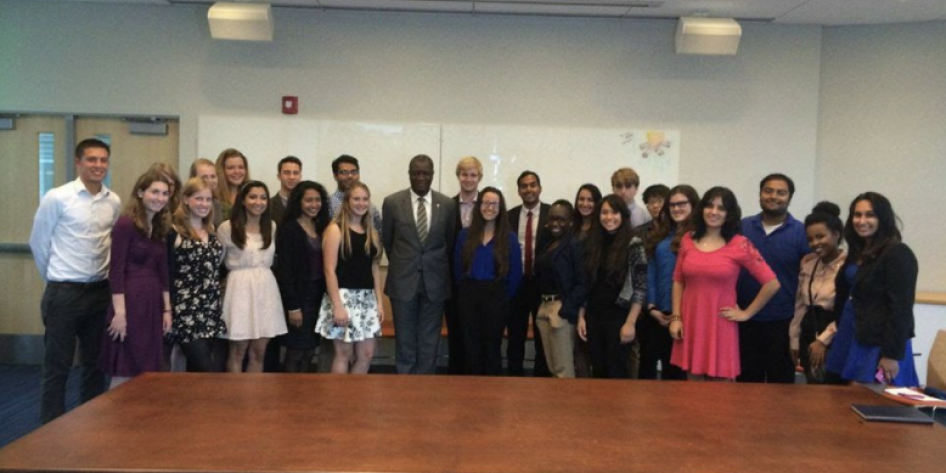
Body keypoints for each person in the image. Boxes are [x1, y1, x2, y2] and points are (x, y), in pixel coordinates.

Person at [30, 138, 121, 423]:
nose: (98, 165)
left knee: (95, 365)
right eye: (92, 160)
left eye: (103, 160)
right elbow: (39, 243)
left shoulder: (113, 201)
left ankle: (90, 425)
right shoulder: (58, 198)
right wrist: (57, 278)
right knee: (58, 366)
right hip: (64, 293)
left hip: (99, 292)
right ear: (78, 162)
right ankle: (50, 429)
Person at [669, 187, 780, 381]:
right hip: (691, 321)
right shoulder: (688, 239)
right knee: (691, 388)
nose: (714, 212)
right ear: (702, 208)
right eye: (710, 206)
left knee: (721, 392)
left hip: (720, 325)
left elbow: (772, 283)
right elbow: (678, 281)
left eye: (721, 208)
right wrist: (676, 317)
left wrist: (746, 313)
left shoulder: (740, 244)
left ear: (729, 214)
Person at [825, 192, 919, 387]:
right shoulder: (859, 251)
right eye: (857, 215)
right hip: (851, 332)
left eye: (870, 215)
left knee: (870, 402)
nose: (862, 221)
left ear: (883, 218)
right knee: (842, 400)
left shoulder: (897, 253)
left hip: (878, 343)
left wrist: (891, 354)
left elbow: (901, 309)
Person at [382, 155, 457, 375]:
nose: (421, 177)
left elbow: (449, 241)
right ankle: (404, 387)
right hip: (403, 281)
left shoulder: (447, 204)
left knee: (429, 340)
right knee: (405, 339)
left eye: (425, 173)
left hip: (435, 282)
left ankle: (425, 386)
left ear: (433, 175)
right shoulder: (393, 202)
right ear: (409, 174)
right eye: (416, 172)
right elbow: (389, 240)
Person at [99, 169, 173, 387]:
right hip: (129, 302)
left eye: (165, 193)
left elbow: (163, 271)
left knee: (147, 366)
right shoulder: (125, 224)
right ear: (140, 192)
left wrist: (167, 309)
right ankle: (117, 417)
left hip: (152, 303)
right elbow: (116, 270)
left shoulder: (159, 226)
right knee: (126, 364)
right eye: (154, 192)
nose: (160, 198)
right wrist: (120, 314)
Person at [736, 173, 809, 384]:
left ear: (790, 197)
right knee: (745, 387)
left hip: (783, 322)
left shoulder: (802, 233)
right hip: (744, 320)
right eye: (768, 191)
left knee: (781, 389)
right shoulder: (742, 228)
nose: (773, 196)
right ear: (760, 194)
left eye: (781, 192)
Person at [218, 181, 287, 373]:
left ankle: (254, 398)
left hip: (265, 288)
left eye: (263, 197)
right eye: (253, 197)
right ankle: (236, 399)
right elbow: (217, 262)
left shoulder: (271, 226)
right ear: (243, 200)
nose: (259, 202)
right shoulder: (227, 228)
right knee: (238, 351)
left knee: (259, 352)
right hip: (239, 289)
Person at [317, 182, 385, 374]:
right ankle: (339, 402)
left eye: (365, 199)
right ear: (347, 201)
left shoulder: (371, 231)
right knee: (344, 354)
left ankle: (355, 399)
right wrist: (337, 306)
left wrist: (378, 302)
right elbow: (329, 270)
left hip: (366, 299)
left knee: (367, 354)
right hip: (343, 298)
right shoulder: (335, 230)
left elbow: (374, 268)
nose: (361, 203)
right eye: (356, 199)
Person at [454, 187, 522, 376]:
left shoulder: (509, 238)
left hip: (496, 296)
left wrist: (501, 296)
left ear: (501, 208)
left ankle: (492, 395)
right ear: (478, 206)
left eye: (494, 204)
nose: (489, 207)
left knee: (492, 346)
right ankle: (471, 394)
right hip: (469, 295)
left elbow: (516, 273)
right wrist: (467, 291)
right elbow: (458, 269)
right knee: (470, 346)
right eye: (485, 203)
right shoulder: (465, 235)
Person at [577, 195, 646, 379]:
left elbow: (640, 289)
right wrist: (581, 316)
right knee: (598, 369)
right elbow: (587, 283)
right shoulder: (592, 242)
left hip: (619, 317)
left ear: (623, 215)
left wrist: (630, 323)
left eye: (614, 212)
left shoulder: (634, 244)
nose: (609, 217)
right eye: (604, 212)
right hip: (593, 316)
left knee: (617, 372)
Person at [167, 177, 226, 373]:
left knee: (198, 373)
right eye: (199, 198)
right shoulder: (174, 232)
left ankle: (195, 404)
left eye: (208, 200)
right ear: (186, 199)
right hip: (186, 310)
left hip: (210, 307)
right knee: (206, 370)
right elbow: (165, 272)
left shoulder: (212, 231)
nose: (204, 204)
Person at [640, 185, 699, 381]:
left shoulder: (701, 236)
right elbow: (652, 272)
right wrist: (651, 306)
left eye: (682, 204)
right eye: (672, 205)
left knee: (680, 373)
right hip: (660, 313)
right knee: (654, 367)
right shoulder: (662, 234)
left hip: (689, 315)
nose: (676, 208)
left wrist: (678, 315)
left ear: (694, 205)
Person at [275, 181, 331, 373]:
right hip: (299, 299)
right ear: (298, 202)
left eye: (317, 200)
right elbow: (285, 270)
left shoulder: (322, 227)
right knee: (295, 352)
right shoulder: (289, 229)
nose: (314, 204)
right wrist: (293, 306)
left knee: (310, 352)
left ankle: (304, 395)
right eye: (309, 200)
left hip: (318, 298)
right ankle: (289, 396)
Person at [790, 202, 845, 384]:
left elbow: (847, 311)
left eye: (821, 236)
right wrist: (794, 340)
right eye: (811, 239)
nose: (815, 243)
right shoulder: (809, 265)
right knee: (813, 390)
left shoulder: (850, 267)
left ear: (836, 234)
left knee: (833, 392)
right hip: (809, 332)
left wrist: (823, 341)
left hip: (835, 335)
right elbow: (800, 306)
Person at [534, 200, 587, 378]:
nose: (555, 223)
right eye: (552, 219)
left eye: (561, 219)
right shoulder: (548, 242)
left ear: (571, 221)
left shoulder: (574, 244)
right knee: (552, 367)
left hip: (561, 309)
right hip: (544, 307)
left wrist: (566, 309)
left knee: (563, 370)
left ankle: (570, 405)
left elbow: (583, 282)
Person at [506, 171, 550, 377]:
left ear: (540, 188)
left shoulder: (552, 214)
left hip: (542, 284)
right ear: (519, 191)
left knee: (543, 336)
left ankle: (541, 379)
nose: (529, 189)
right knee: (516, 335)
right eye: (524, 186)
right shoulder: (509, 216)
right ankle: (514, 378)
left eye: (533, 185)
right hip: (517, 283)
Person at [444, 156, 483, 374]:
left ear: (480, 178)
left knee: (476, 334)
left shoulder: (489, 206)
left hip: (479, 283)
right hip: (453, 282)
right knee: (456, 332)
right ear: (458, 176)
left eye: (473, 175)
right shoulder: (447, 206)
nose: (468, 179)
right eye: (464, 174)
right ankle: (454, 379)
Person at [571, 183, 601, 377]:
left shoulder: (602, 230)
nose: (585, 203)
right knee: (577, 352)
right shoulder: (571, 229)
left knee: (595, 351)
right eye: (581, 199)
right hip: (572, 297)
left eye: (590, 199)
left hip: (594, 298)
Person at [327, 154, 382, 235]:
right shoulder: (328, 205)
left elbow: (379, 236)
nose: (350, 176)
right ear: (335, 176)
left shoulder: (370, 207)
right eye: (344, 172)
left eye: (354, 172)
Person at [214, 148, 250, 220]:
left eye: (241, 167)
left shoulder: (251, 196)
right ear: (221, 170)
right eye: (231, 168)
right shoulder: (214, 198)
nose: (237, 171)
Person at [189, 158, 226, 228]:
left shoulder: (219, 205)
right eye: (204, 177)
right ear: (192, 179)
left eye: (213, 176)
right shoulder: (183, 204)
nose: (210, 181)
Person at [271, 156, 302, 225]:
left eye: (296, 173)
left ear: (300, 177)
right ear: (279, 176)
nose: (291, 177)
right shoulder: (268, 206)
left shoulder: (307, 205)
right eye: (287, 173)